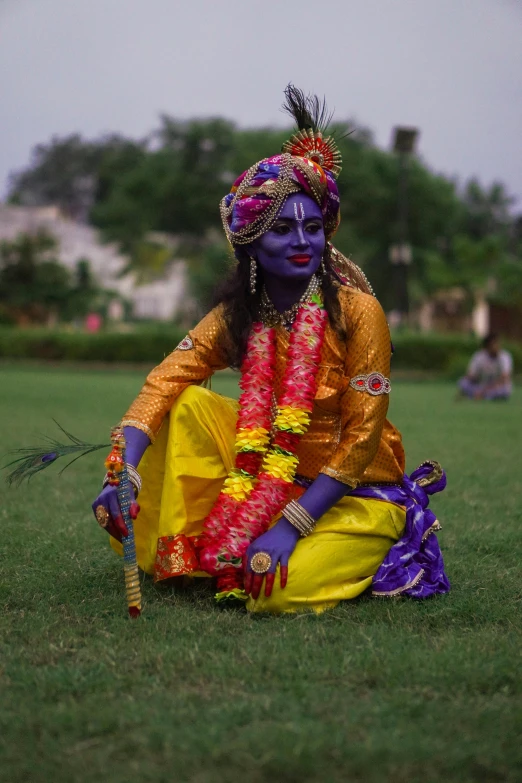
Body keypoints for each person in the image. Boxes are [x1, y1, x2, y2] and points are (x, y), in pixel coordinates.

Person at [91, 86, 450, 613]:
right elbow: (164, 378)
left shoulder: (356, 312)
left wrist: (290, 526)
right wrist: (121, 472)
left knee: (276, 590)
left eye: (312, 227)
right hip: (266, 475)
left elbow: (362, 437)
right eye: (282, 228)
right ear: (251, 243)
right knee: (186, 403)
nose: (302, 240)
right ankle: (193, 548)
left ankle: (386, 545)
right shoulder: (239, 313)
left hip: (353, 492)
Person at [458, 334, 513, 401]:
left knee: (504, 391)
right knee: (463, 382)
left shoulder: (504, 357)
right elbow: (471, 374)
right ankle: (482, 396)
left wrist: (484, 391)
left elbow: (504, 378)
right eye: (493, 345)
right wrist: (472, 377)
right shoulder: (479, 356)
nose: (496, 347)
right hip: (481, 385)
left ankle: (478, 396)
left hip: (496, 387)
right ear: (487, 346)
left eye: (497, 344)